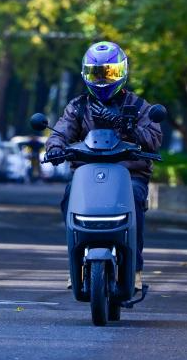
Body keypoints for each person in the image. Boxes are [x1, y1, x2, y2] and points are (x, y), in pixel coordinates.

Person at [46, 40, 162, 292]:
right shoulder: (78, 106)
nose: (102, 80)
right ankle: (75, 262)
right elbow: (61, 131)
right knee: (68, 197)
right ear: (85, 74)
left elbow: (154, 138)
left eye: (109, 73)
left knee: (135, 199)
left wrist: (128, 125)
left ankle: (135, 270)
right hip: (87, 174)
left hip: (129, 174)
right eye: (96, 73)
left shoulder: (139, 107)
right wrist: (54, 147)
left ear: (122, 72)